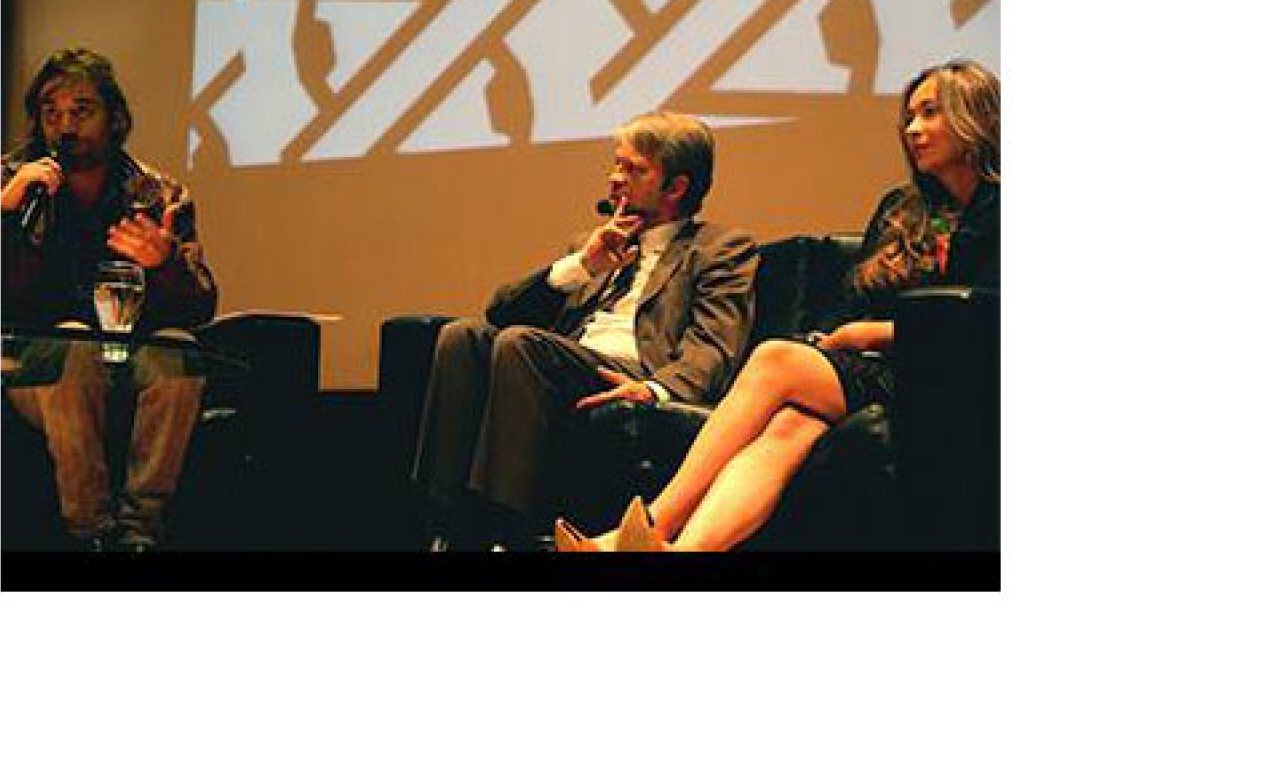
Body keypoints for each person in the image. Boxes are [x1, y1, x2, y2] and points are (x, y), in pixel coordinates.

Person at [556, 59, 1000, 552]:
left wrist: (870, 334)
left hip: (953, 377)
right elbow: (853, 301)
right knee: (789, 427)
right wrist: (830, 338)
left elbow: (990, 317)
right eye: (910, 116)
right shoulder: (902, 209)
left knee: (774, 359)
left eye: (931, 113)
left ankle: (650, 527)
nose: (913, 129)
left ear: (974, 116)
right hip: (876, 370)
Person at [412, 112, 759, 550]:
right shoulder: (592, 245)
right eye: (616, 163)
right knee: (462, 337)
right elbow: (500, 313)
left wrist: (655, 389)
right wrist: (581, 267)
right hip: (562, 363)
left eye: (634, 169)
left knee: (521, 346)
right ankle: (446, 528)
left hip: (629, 371)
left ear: (676, 188)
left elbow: (715, 345)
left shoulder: (720, 249)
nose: (615, 178)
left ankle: (509, 533)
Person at [1, 47, 218, 552]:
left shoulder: (157, 195)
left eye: (81, 111)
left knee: (179, 351)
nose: (65, 126)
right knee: (73, 341)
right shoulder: (8, 184)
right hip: (32, 366)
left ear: (115, 118)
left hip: (128, 360)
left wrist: (164, 265)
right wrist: (3, 212)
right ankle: (91, 532)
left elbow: (200, 306)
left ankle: (140, 531)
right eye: (51, 113)